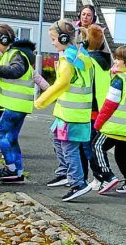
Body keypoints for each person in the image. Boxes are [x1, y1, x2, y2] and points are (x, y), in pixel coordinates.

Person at [35, 19, 93, 202]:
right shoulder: (80, 55)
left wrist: (42, 100)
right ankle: (66, 174)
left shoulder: (69, 58)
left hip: (71, 114)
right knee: (60, 141)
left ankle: (78, 183)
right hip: (71, 113)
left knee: (69, 148)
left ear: (62, 37)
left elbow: (62, 83)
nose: (52, 42)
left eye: (53, 38)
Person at [0, 24, 36, 183]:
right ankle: (18, 172)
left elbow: (15, 71)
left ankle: (11, 168)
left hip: (15, 105)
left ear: (5, 40)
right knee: (11, 138)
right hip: (19, 105)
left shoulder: (16, 54)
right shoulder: (16, 53)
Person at [91, 45, 126, 194]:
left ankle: (108, 176)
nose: (115, 61)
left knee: (97, 146)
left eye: (119, 59)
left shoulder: (119, 80)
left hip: (114, 126)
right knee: (122, 155)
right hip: (124, 130)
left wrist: (98, 123)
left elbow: (108, 106)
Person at [81, 24, 112, 190]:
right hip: (102, 107)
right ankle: (101, 176)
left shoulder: (89, 60)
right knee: (94, 144)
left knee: (90, 145)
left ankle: (101, 176)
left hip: (91, 108)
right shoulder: (106, 60)